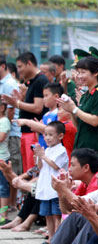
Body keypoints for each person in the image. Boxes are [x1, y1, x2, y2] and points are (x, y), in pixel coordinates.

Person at [1, 51, 48, 173]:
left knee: (33, 169)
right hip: (26, 132)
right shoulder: (31, 81)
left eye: (20, 66)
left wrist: (16, 103)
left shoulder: (40, 80)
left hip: (33, 131)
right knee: (27, 168)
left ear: (29, 63)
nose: (19, 70)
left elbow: (38, 108)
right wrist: (21, 99)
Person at [57, 56, 98, 157]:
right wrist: (70, 110)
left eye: (83, 72)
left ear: (95, 73)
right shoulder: (86, 95)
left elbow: (95, 121)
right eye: (78, 72)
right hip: (81, 147)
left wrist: (74, 109)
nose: (79, 76)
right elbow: (79, 125)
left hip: (93, 150)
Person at [34, 121, 68, 240]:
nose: (47, 138)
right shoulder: (47, 150)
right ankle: (51, 238)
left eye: (50, 135)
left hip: (54, 189)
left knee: (56, 215)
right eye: (45, 134)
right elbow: (40, 167)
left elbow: (55, 165)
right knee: (47, 215)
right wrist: (38, 156)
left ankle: (57, 240)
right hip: (45, 187)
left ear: (60, 136)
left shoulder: (61, 150)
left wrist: (42, 156)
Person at [0, 55, 21, 208]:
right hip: (9, 131)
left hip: (12, 132)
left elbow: (11, 110)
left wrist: (4, 126)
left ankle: (12, 204)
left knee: (11, 170)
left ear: (2, 66)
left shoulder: (9, 84)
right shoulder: (4, 83)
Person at [0, 101, 10, 224]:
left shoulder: (4, 121)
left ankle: (4, 215)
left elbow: (1, 137)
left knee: (3, 187)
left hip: (2, 158)